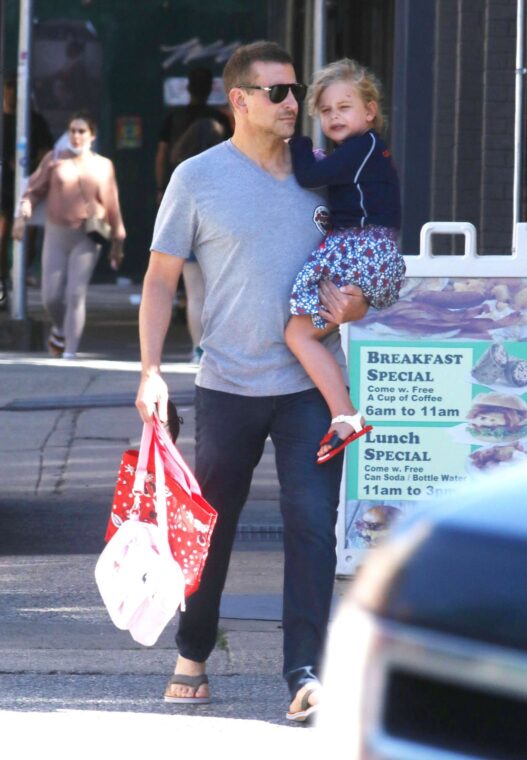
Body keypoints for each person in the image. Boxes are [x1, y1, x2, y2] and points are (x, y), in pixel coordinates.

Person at [136, 41, 369, 723]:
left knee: (310, 525)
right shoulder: (197, 178)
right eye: (278, 93)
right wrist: (150, 372)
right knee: (209, 527)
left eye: (295, 90)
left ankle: (305, 673)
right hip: (227, 385)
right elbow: (158, 279)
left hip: (308, 388)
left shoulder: (327, 175)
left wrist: (357, 301)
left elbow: (368, 264)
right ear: (240, 100)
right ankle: (194, 649)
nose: (294, 103)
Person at [285, 58, 406, 463]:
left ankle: (345, 414)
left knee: (298, 335)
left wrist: (298, 144)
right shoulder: (362, 152)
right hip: (375, 253)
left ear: (369, 112)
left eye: (345, 107)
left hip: (360, 249)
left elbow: (307, 176)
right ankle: (343, 413)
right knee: (303, 333)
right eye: (326, 110)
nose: (334, 115)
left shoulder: (363, 146)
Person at [12, 110, 125, 358]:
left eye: (82, 131)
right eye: (72, 130)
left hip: (86, 235)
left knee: (76, 293)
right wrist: (22, 217)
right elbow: (32, 190)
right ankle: (59, 328)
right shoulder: (54, 160)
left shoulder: (103, 165)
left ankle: (70, 352)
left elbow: (112, 204)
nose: (76, 136)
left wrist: (118, 240)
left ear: (92, 136)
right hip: (56, 233)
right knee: (50, 296)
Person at [171, 117, 229, 363]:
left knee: (195, 295)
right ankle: (217, 346)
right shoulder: (225, 164)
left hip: (190, 232)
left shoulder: (184, 169)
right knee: (222, 293)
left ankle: (198, 350)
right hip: (219, 235)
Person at [0, 71, 53, 305]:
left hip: (28, 189)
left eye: (16, 86)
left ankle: (17, 274)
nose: (12, 91)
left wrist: (28, 166)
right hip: (2, 189)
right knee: (2, 235)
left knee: (28, 238)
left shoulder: (35, 120)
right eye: (9, 86)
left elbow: (46, 156)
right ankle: (3, 283)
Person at [154, 66, 232, 204]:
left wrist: (161, 188)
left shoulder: (174, 118)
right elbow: (231, 154)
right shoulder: (220, 119)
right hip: (212, 187)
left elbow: (162, 155)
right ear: (210, 89)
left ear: (188, 88)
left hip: (181, 185)